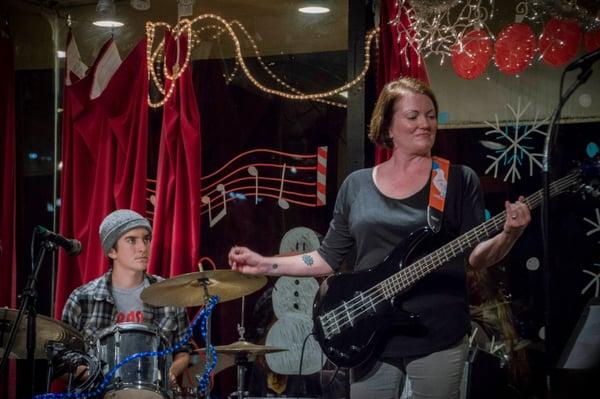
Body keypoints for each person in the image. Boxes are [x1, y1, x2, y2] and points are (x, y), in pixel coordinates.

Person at [227, 77, 531, 399]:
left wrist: (509, 235)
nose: (424, 124)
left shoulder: (456, 180)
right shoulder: (356, 186)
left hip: (437, 331)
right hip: (368, 332)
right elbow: (326, 258)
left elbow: (475, 257)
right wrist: (265, 263)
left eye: (430, 115)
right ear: (388, 126)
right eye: (412, 116)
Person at [62, 209, 190, 386]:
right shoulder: (82, 299)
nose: (143, 248)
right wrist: (97, 376)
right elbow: (62, 362)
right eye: (131, 240)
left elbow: (183, 352)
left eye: (146, 239)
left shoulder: (169, 294)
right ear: (112, 251)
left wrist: (170, 371)